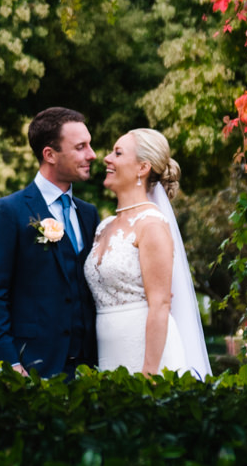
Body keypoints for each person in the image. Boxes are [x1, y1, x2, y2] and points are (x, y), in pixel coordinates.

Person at [0, 106, 100, 378]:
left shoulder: (89, 214)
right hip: (33, 368)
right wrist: (8, 363)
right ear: (50, 154)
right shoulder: (8, 211)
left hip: (90, 370)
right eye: (81, 147)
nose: (92, 154)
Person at [82, 127, 213, 378]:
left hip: (146, 356)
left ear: (143, 168)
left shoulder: (151, 225)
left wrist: (149, 373)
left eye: (118, 153)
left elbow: (161, 304)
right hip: (108, 352)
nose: (107, 158)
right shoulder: (104, 226)